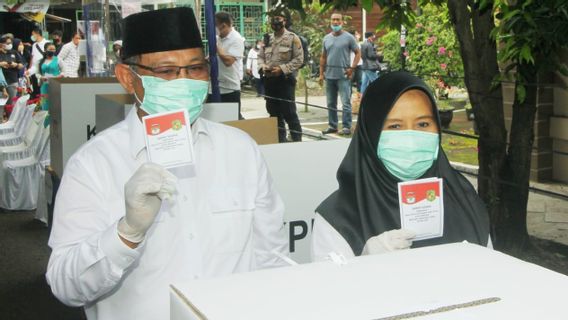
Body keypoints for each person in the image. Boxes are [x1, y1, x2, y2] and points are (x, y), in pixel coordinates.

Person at [46, 8, 288, 320]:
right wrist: (126, 233)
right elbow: (65, 286)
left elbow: (272, 257)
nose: (184, 82)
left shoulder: (240, 150)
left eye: (195, 69)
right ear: (127, 77)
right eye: (167, 72)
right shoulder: (93, 165)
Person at [311, 71, 491, 261]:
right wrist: (362, 265)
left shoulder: (463, 198)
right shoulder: (339, 217)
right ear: (370, 133)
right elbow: (330, 287)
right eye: (395, 126)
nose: (411, 138)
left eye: (423, 124)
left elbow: (493, 273)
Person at [257, 6, 304, 143]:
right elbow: (260, 57)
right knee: (274, 115)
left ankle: (297, 140)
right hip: (270, 81)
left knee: (289, 113)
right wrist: (263, 66)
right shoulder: (267, 39)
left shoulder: (292, 38)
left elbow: (299, 59)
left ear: (284, 20)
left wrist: (282, 69)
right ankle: (280, 142)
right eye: (272, 19)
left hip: (285, 81)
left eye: (278, 18)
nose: (275, 22)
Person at [319, 13, 361, 136]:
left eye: (338, 20)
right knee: (331, 103)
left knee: (346, 103)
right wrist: (321, 74)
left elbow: (358, 53)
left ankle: (347, 127)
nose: (335, 22)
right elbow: (323, 57)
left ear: (342, 22)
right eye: (333, 20)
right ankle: (332, 126)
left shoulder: (349, 37)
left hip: (344, 76)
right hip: (329, 76)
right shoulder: (326, 38)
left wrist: (352, 68)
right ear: (330, 21)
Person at [211, 11, 245, 119]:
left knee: (232, 119)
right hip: (215, 87)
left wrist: (218, 49)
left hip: (230, 88)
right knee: (217, 119)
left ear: (223, 25)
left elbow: (228, 62)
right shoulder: (218, 38)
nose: (214, 29)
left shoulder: (237, 39)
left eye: (215, 25)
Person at [0, 36, 24, 117]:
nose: (10, 45)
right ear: (1, 44)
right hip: (1, 82)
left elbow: (21, 65)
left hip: (12, 80)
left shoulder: (14, 52)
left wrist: (15, 64)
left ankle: (11, 119)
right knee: (1, 103)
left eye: (10, 43)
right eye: (7, 43)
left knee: (12, 103)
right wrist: (1, 64)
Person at [38, 42, 64, 111]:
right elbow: (37, 73)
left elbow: (64, 71)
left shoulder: (58, 60)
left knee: (55, 105)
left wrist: (59, 76)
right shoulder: (40, 61)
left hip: (55, 85)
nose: (52, 51)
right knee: (45, 104)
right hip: (44, 86)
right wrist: (41, 77)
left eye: (54, 49)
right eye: (50, 49)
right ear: (45, 50)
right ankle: (46, 121)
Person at [27, 27, 48, 99]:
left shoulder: (47, 43)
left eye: (33, 34)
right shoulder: (34, 45)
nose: (32, 36)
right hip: (34, 69)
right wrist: (29, 68)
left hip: (43, 69)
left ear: (37, 34)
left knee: (43, 86)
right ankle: (37, 103)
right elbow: (32, 57)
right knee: (36, 87)